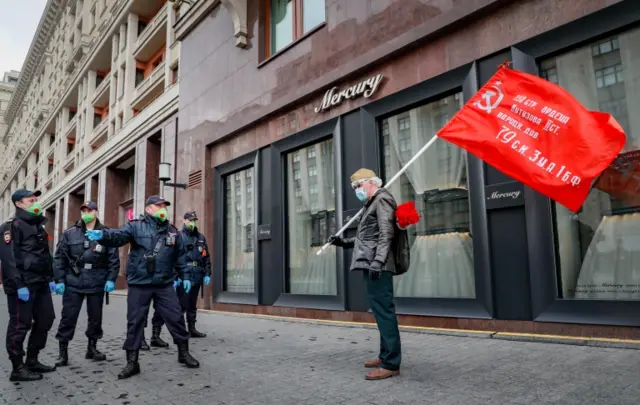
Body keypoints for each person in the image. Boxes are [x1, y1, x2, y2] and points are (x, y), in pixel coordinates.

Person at [85, 195, 199, 379]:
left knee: (176, 317)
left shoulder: (172, 231)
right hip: (140, 283)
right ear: (148, 209)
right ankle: (132, 362)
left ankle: (183, 353)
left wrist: (185, 275)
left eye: (164, 205)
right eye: (159, 205)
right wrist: (103, 235)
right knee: (135, 322)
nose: (163, 208)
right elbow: (118, 236)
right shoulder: (135, 226)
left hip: (164, 284)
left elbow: (180, 257)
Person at [328, 169, 403, 380]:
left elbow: (387, 234)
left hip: (378, 265)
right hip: (372, 264)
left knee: (384, 312)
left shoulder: (382, 200)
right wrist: (343, 243)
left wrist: (378, 262)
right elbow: (367, 239)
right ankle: (384, 354)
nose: (356, 191)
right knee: (380, 312)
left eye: (358, 186)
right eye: (354, 188)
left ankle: (391, 363)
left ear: (370, 183)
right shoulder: (371, 203)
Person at [53, 201, 119, 366]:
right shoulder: (70, 233)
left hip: (97, 280)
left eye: (89, 210)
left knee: (95, 318)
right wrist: (59, 280)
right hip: (73, 281)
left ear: (96, 212)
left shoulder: (106, 233)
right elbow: (59, 258)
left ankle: (92, 348)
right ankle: (63, 352)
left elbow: (113, 259)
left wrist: (111, 278)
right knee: (68, 317)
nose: (86, 213)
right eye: (83, 210)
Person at [0, 189, 57, 381]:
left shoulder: (37, 226)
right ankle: (17, 367)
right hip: (22, 286)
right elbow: (8, 260)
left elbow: (45, 255)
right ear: (19, 203)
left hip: (40, 284)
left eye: (35, 199)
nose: (35, 201)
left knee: (46, 319)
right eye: (30, 199)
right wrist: (18, 285)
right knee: (19, 324)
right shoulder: (10, 227)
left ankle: (33, 359)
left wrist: (51, 278)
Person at [153, 211, 211, 338]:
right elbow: (171, 257)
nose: (192, 222)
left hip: (196, 275)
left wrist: (207, 273)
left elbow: (206, 257)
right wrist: (175, 276)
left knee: (192, 305)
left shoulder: (201, 238)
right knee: (176, 306)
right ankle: (156, 333)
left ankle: (192, 329)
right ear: (184, 220)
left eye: (194, 220)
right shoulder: (178, 236)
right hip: (182, 276)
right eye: (190, 220)